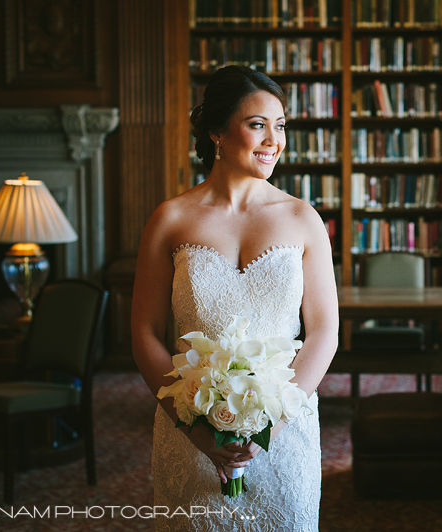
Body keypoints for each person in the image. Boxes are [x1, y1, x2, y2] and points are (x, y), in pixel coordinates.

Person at [131, 65, 339, 531]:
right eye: (257, 124)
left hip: (285, 434)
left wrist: (271, 429)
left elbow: (324, 332)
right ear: (216, 132)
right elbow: (144, 332)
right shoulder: (170, 219)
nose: (274, 141)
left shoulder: (303, 219)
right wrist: (196, 431)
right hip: (190, 430)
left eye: (280, 125)